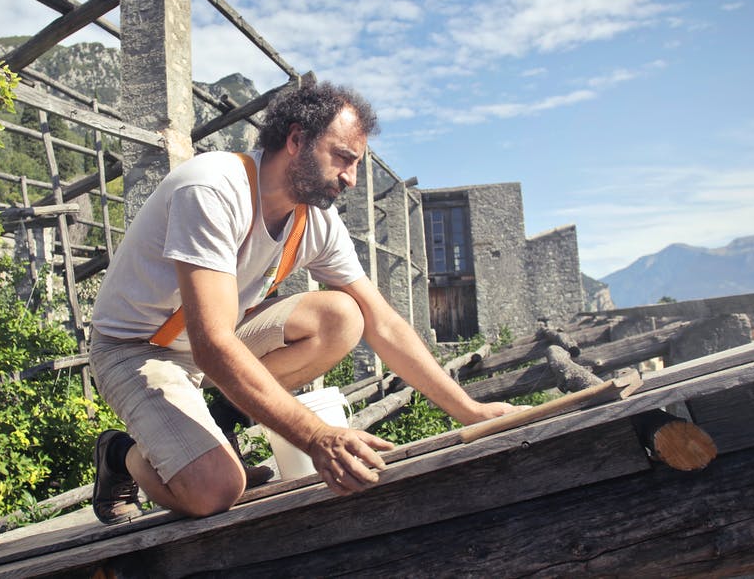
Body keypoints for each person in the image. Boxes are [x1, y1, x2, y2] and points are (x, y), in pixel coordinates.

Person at [87, 81, 524, 524]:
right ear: (296, 140)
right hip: (138, 349)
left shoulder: (316, 221)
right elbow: (213, 346)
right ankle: (121, 455)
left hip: (212, 341)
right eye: (344, 158)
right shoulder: (212, 188)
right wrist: (317, 437)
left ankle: (217, 421)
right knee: (214, 490)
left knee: (343, 317)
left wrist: (470, 410)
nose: (351, 178)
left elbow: (383, 323)